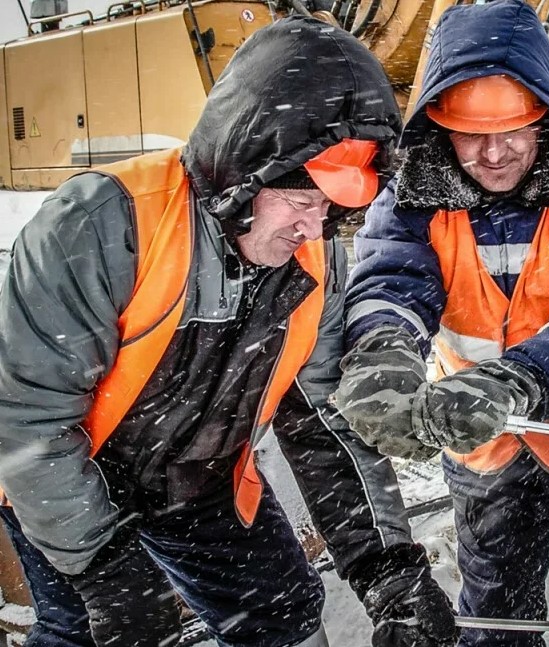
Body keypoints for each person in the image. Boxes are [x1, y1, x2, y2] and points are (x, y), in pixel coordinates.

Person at [0, 16, 456, 647]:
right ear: (245, 173)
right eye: (301, 202)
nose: (313, 229)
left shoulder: (313, 263)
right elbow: (27, 416)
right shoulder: (103, 224)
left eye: (332, 209)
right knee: (91, 628)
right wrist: (104, 568)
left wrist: (388, 571)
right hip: (71, 475)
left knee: (283, 614)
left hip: (198, 478)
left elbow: (322, 419)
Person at [333, 1, 549, 645]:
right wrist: (382, 355)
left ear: (546, 113)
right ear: (437, 125)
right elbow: (390, 284)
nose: (492, 154)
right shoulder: (411, 196)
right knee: (494, 616)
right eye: (469, 133)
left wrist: (514, 380)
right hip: (485, 445)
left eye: (513, 129)